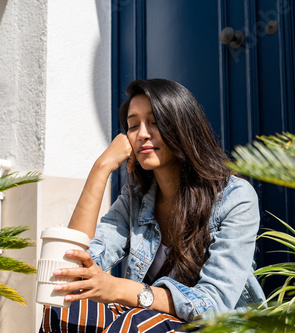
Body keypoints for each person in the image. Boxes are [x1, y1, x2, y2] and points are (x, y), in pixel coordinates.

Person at [39, 79, 265, 333]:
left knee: (138, 323)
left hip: (218, 327)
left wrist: (117, 289)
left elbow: (213, 305)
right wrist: (101, 169)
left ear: (183, 126)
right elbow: (75, 268)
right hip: (149, 321)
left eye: (155, 122)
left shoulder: (235, 198)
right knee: (65, 304)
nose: (142, 134)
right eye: (133, 125)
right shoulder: (137, 197)